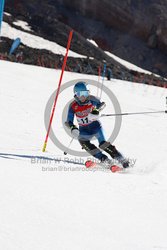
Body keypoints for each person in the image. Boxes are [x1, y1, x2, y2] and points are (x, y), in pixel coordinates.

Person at [65, 81, 129, 172]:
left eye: (85, 93)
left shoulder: (92, 100)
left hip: (95, 127)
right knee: (83, 142)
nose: (83, 97)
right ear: (75, 95)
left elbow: (102, 104)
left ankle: (123, 161)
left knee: (103, 144)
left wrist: (96, 110)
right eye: (80, 94)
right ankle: (104, 160)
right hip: (84, 130)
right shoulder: (73, 106)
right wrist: (73, 128)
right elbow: (68, 121)